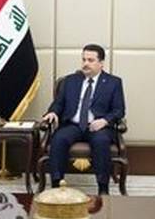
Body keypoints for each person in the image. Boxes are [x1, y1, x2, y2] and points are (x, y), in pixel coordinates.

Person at [41, 44, 126, 196]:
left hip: (98, 126)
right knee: (59, 139)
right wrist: (52, 112)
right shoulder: (70, 81)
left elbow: (119, 110)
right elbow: (59, 103)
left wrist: (104, 121)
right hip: (72, 125)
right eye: (84, 59)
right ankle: (56, 185)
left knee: (101, 141)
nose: (85, 63)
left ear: (101, 63)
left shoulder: (113, 83)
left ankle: (103, 188)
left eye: (90, 60)